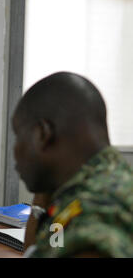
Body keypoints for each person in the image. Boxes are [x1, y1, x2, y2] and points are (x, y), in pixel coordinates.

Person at [12, 72, 132, 257]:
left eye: (19, 136)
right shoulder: (109, 180)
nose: (16, 151)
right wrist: (42, 197)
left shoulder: (93, 215)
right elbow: (42, 249)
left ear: (42, 134)